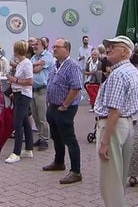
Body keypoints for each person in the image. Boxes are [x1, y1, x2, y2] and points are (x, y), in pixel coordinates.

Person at [94, 35, 138, 207]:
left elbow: (114, 110)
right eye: (108, 45)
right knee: (119, 177)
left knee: (110, 181)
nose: (109, 48)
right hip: (128, 124)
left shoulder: (118, 74)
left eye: (113, 46)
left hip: (113, 125)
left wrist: (105, 141)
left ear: (124, 51)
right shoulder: (132, 70)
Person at [44, 38, 83, 184]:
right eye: (53, 47)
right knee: (56, 136)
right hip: (53, 107)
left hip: (64, 108)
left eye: (57, 47)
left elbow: (76, 87)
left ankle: (76, 171)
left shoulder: (72, 66)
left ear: (66, 49)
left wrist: (65, 105)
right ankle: (59, 162)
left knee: (69, 139)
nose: (54, 49)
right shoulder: (56, 65)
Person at [5, 40, 34, 163]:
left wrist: (14, 80)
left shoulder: (26, 63)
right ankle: (28, 148)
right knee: (25, 122)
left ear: (16, 50)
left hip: (23, 95)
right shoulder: (21, 63)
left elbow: (30, 81)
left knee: (17, 123)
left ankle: (16, 152)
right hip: (18, 94)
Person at [31, 38, 54, 150]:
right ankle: (40, 136)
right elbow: (33, 68)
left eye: (37, 44)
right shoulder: (34, 57)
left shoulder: (48, 56)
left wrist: (33, 66)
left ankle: (45, 139)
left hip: (42, 90)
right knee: (35, 116)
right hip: (33, 90)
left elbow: (37, 68)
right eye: (33, 45)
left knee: (42, 117)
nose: (34, 46)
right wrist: (34, 66)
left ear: (43, 45)